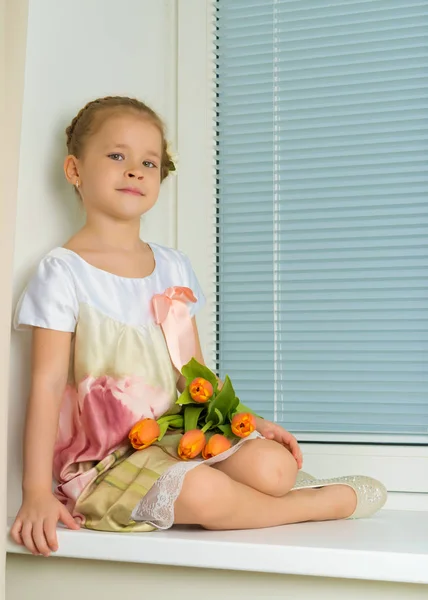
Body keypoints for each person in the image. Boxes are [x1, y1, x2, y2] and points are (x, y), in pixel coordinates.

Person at [10, 96, 387, 558]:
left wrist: (248, 420)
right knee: (207, 494)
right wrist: (35, 492)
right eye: (116, 156)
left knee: (274, 469)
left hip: (176, 430)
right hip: (108, 459)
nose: (134, 170)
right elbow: (46, 385)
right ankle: (314, 505)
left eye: (148, 161)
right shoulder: (63, 272)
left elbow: (195, 376)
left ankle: (282, 491)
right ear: (74, 170)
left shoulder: (172, 265)